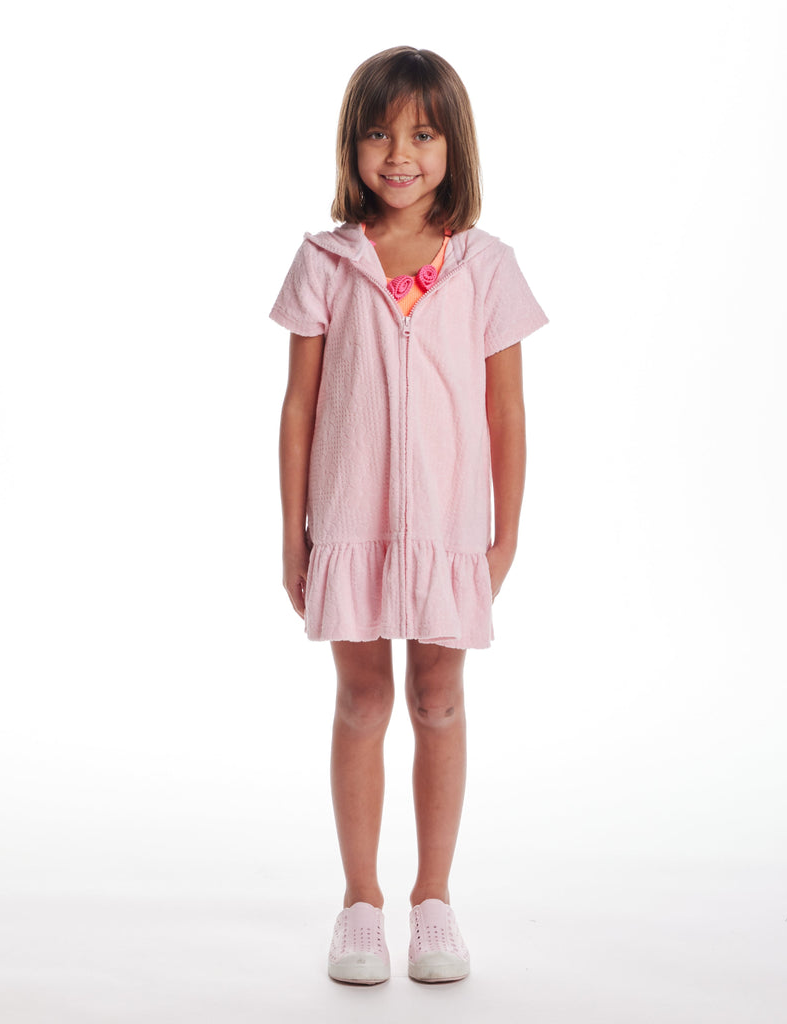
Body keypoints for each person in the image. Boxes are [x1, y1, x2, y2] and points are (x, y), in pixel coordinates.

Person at [273, 46, 548, 985]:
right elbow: (300, 407)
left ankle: (434, 901)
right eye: (379, 134)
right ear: (351, 146)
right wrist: (293, 534)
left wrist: (506, 536)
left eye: (423, 134)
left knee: (439, 699)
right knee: (362, 701)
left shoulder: (485, 266)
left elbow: (507, 409)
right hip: (349, 523)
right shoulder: (326, 261)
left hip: (447, 530)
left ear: (452, 145)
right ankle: (361, 903)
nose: (400, 155)